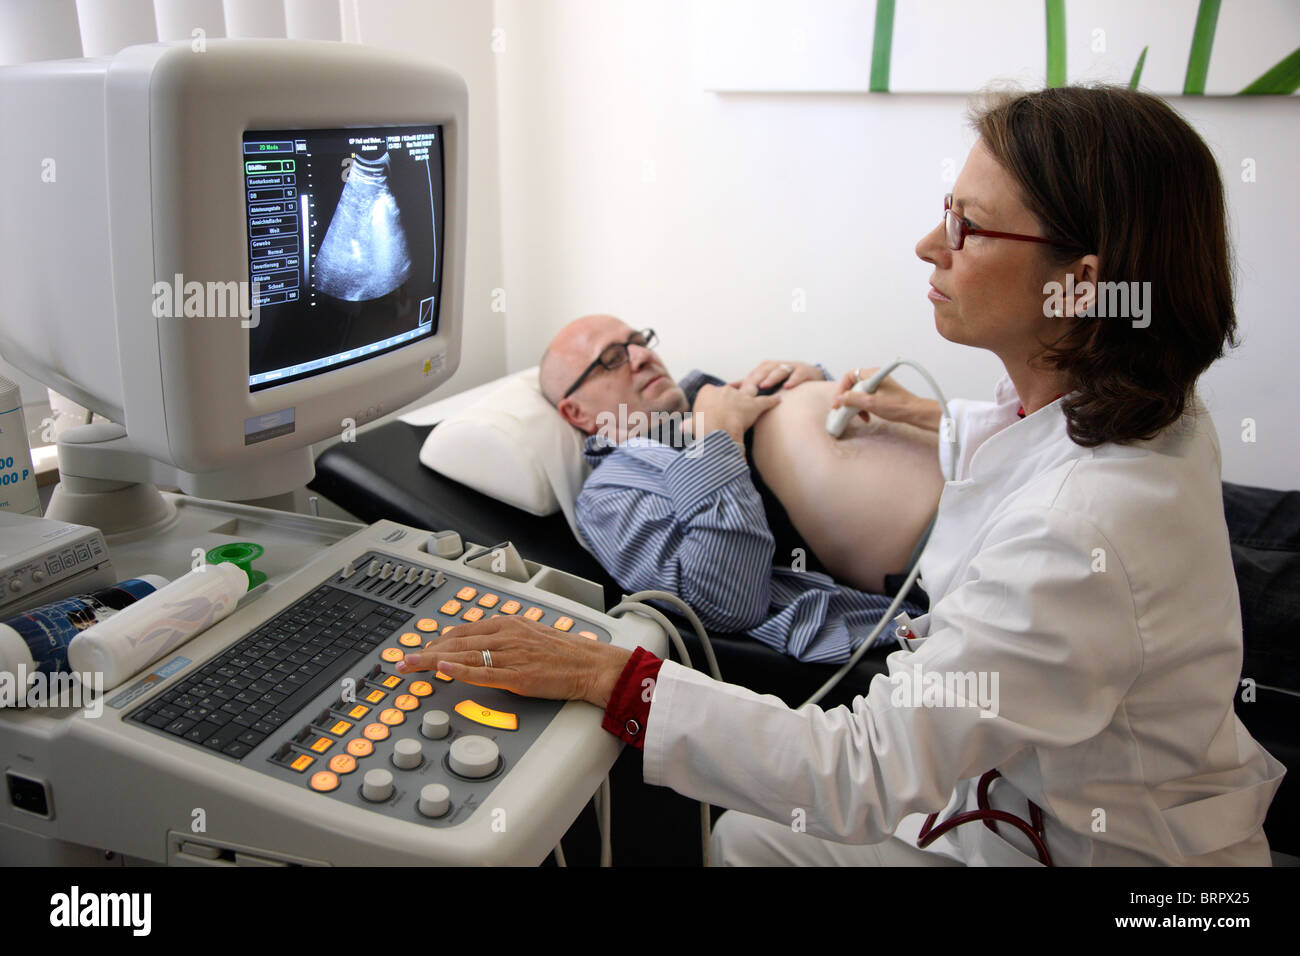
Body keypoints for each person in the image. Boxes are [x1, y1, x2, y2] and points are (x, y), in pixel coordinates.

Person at [399, 86, 1285, 865]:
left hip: (1117, 856)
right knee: (746, 837)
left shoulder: (1078, 528)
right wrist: (739, 438)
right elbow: (725, 597)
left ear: (1080, 287)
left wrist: (615, 673)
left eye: (967, 225)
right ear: (578, 417)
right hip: (975, 706)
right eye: (603, 363)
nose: (929, 244)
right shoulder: (617, 480)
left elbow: (868, 763)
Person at [535, 315, 942, 662]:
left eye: (638, 342)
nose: (642, 356)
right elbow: (725, 601)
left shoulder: (714, 393)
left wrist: (818, 384)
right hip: (942, 556)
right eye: (611, 359)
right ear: (577, 411)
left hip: (980, 467)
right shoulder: (610, 493)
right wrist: (721, 434)